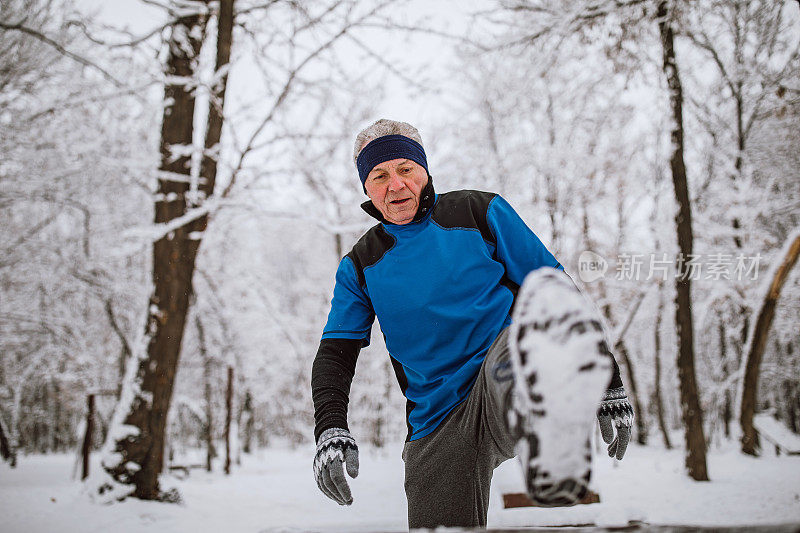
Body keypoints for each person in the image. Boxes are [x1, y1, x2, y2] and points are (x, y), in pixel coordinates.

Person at [311, 119, 634, 529]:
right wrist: (330, 427)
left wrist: (608, 380)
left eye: (405, 169)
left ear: (424, 171)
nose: (395, 185)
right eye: (380, 176)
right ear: (367, 189)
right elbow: (334, 355)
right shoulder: (360, 265)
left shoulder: (479, 212)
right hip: (436, 419)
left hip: (505, 374)